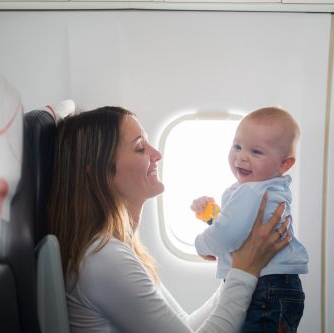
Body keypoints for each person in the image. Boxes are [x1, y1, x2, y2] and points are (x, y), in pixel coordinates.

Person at [47, 106, 292, 333]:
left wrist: (241, 265)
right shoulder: (103, 258)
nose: (157, 154)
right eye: (140, 147)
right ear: (99, 172)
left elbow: (185, 325)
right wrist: (244, 270)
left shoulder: (119, 248)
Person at [191, 106, 309, 333]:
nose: (241, 156)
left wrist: (201, 244)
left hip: (265, 288)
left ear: (284, 164)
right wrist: (212, 217)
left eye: (256, 152)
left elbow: (228, 235)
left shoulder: (251, 191)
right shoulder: (267, 187)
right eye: (237, 146)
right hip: (279, 287)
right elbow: (241, 228)